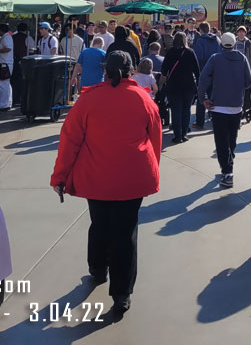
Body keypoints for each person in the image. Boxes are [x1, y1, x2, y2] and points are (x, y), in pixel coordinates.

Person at [50, 52, 162, 321]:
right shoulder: (143, 99)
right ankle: (122, 293)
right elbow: (155, 138)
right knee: (126, 232)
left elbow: (69, 141)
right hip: (133, 177)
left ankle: (98, 269)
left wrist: (60, 176)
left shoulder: (88, 100)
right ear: (130, 70)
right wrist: (152, 168)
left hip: (96, 176)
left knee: (99, 223)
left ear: (105, 70)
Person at [199, 33, 251, 188]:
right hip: (236, 105)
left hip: (218, 105)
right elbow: (248, 81)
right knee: (232, 138)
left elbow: (203, 79)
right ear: (235, 43)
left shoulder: (215, 58)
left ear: (221, 44)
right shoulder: (242, 59)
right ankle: (229, 161)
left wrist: (203, 97)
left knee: (221, 140)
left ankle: (227, 171)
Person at [160, 32, 200, 144]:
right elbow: (197, 70)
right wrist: (198, 85)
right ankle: (184, 134)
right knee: (186, 110)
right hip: (188, 85)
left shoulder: (170, 52)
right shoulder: (190, 52)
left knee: (176, 110)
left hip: (174, 85)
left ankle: (177, 135)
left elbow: (164, 70)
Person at [191, 23, 221, 129]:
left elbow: (198, 58)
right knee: (214, 96)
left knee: (201, 97)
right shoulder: (217, 40)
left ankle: (200, 122)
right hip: (216, 72)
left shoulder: (200, 41)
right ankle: (214, 118)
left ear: (200, 30)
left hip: (204, 72)